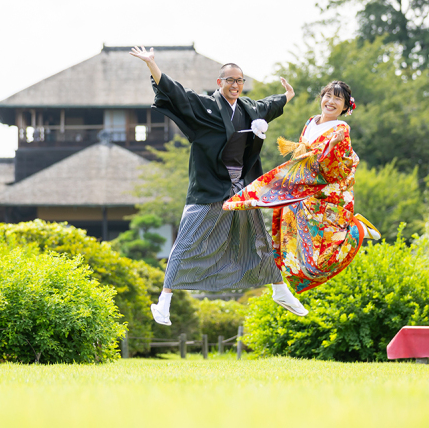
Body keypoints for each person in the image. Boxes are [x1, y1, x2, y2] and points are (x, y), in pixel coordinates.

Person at [129, 46, 309, 325]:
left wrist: (288, 95)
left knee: (259, 239)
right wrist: (152, 64)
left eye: (240, 81)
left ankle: (280, 290)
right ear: (219, 82)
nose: (235, 85)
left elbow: (270, 105)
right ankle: (164, 301)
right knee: (185, 242)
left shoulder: (249, 108)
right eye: (230, 80)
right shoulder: (205, 106)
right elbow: (176, 93)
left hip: (240, 188)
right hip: (210, 186)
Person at [222, 80, 381, 313]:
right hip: (306, 192)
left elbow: (333, 166)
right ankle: (281, 290)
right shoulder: (310, 122)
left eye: (338, 99)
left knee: (322, 261)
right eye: (328, 96)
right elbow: (302, 154)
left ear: (346, 107)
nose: (331, 102)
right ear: (321, 98)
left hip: (329, 196)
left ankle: (358, 229)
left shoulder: (341, 130)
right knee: (297, 252)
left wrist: (328, 149)